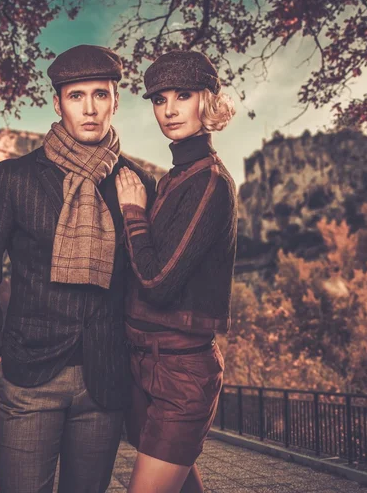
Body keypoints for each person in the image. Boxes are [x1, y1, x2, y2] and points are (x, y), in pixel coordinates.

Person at [0, 44, 156, 493]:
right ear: (57, 103)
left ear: (116, 100)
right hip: (28, 374)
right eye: (76, 95)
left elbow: (149, 282)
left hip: (105, 380)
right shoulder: (16, 178)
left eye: (100, 95)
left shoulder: (138, 184)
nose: (89, 109)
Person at [115, 50, 237, 493]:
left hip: (182, 373)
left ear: (206, 100)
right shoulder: (174, 178)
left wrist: (133, 214)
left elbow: (158, 283)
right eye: (159, 99)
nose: (169, 109)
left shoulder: (209, 181)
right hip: (143, 362)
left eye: (182, 96)